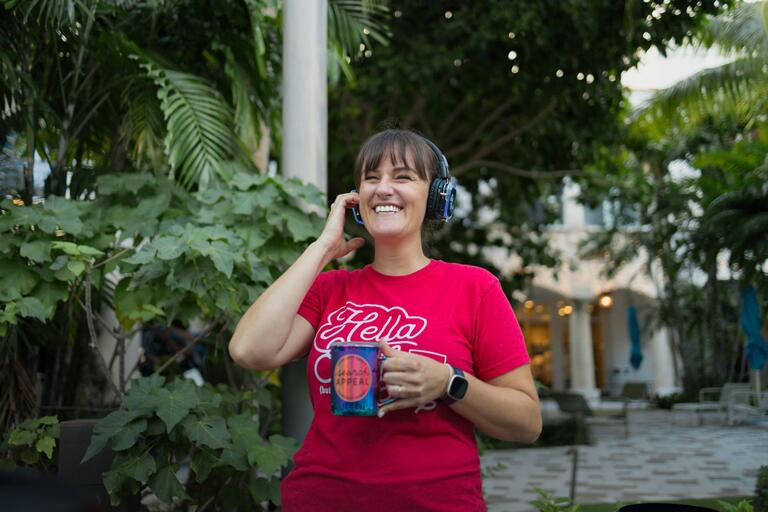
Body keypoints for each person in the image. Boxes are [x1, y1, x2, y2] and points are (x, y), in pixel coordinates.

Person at [229, 129, 542, 511]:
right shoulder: (330, 288)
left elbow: (526, 422)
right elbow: (249, 349)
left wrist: (449, 382)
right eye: (371, 178)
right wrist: (322, 248)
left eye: (403, 177)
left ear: (436, 196)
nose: (383, 189)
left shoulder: (475, 288)